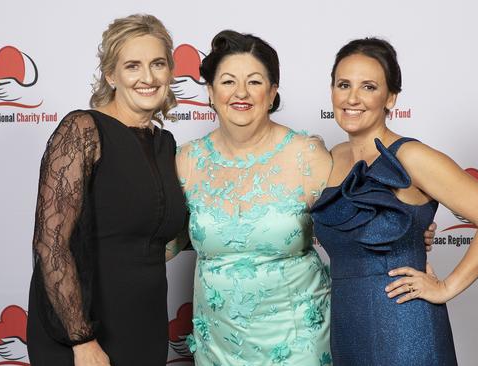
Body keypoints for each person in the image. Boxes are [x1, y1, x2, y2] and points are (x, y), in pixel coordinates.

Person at [169, 30, 438, 366]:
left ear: (272, 93)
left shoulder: (307, 155)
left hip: (299, 341)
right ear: (210, 92)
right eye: (227, 82)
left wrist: (413, 232)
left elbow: (363, 214)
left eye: (254, 81)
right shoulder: (186, 160)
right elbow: (164, 242)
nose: (241, 92)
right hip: (219, 345)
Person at [310, 38, 478, 365]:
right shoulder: (331, 158)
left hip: (405, 327)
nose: (352, 98)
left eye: (368, 87)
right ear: (332, 91)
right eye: (343, 85)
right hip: (347, 327)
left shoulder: (412, 156)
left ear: (390, 97)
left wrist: (446, 286)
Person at [26, 14, 187, 366]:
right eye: (133, 66)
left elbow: (160, 237)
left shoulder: (167, 145)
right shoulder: (83, 130)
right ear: (111, 75)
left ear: (170, 71)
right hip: (84, 333)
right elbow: (50, 243)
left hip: (145, 326)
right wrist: (81, 340)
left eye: (158, 64)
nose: (148, 77)